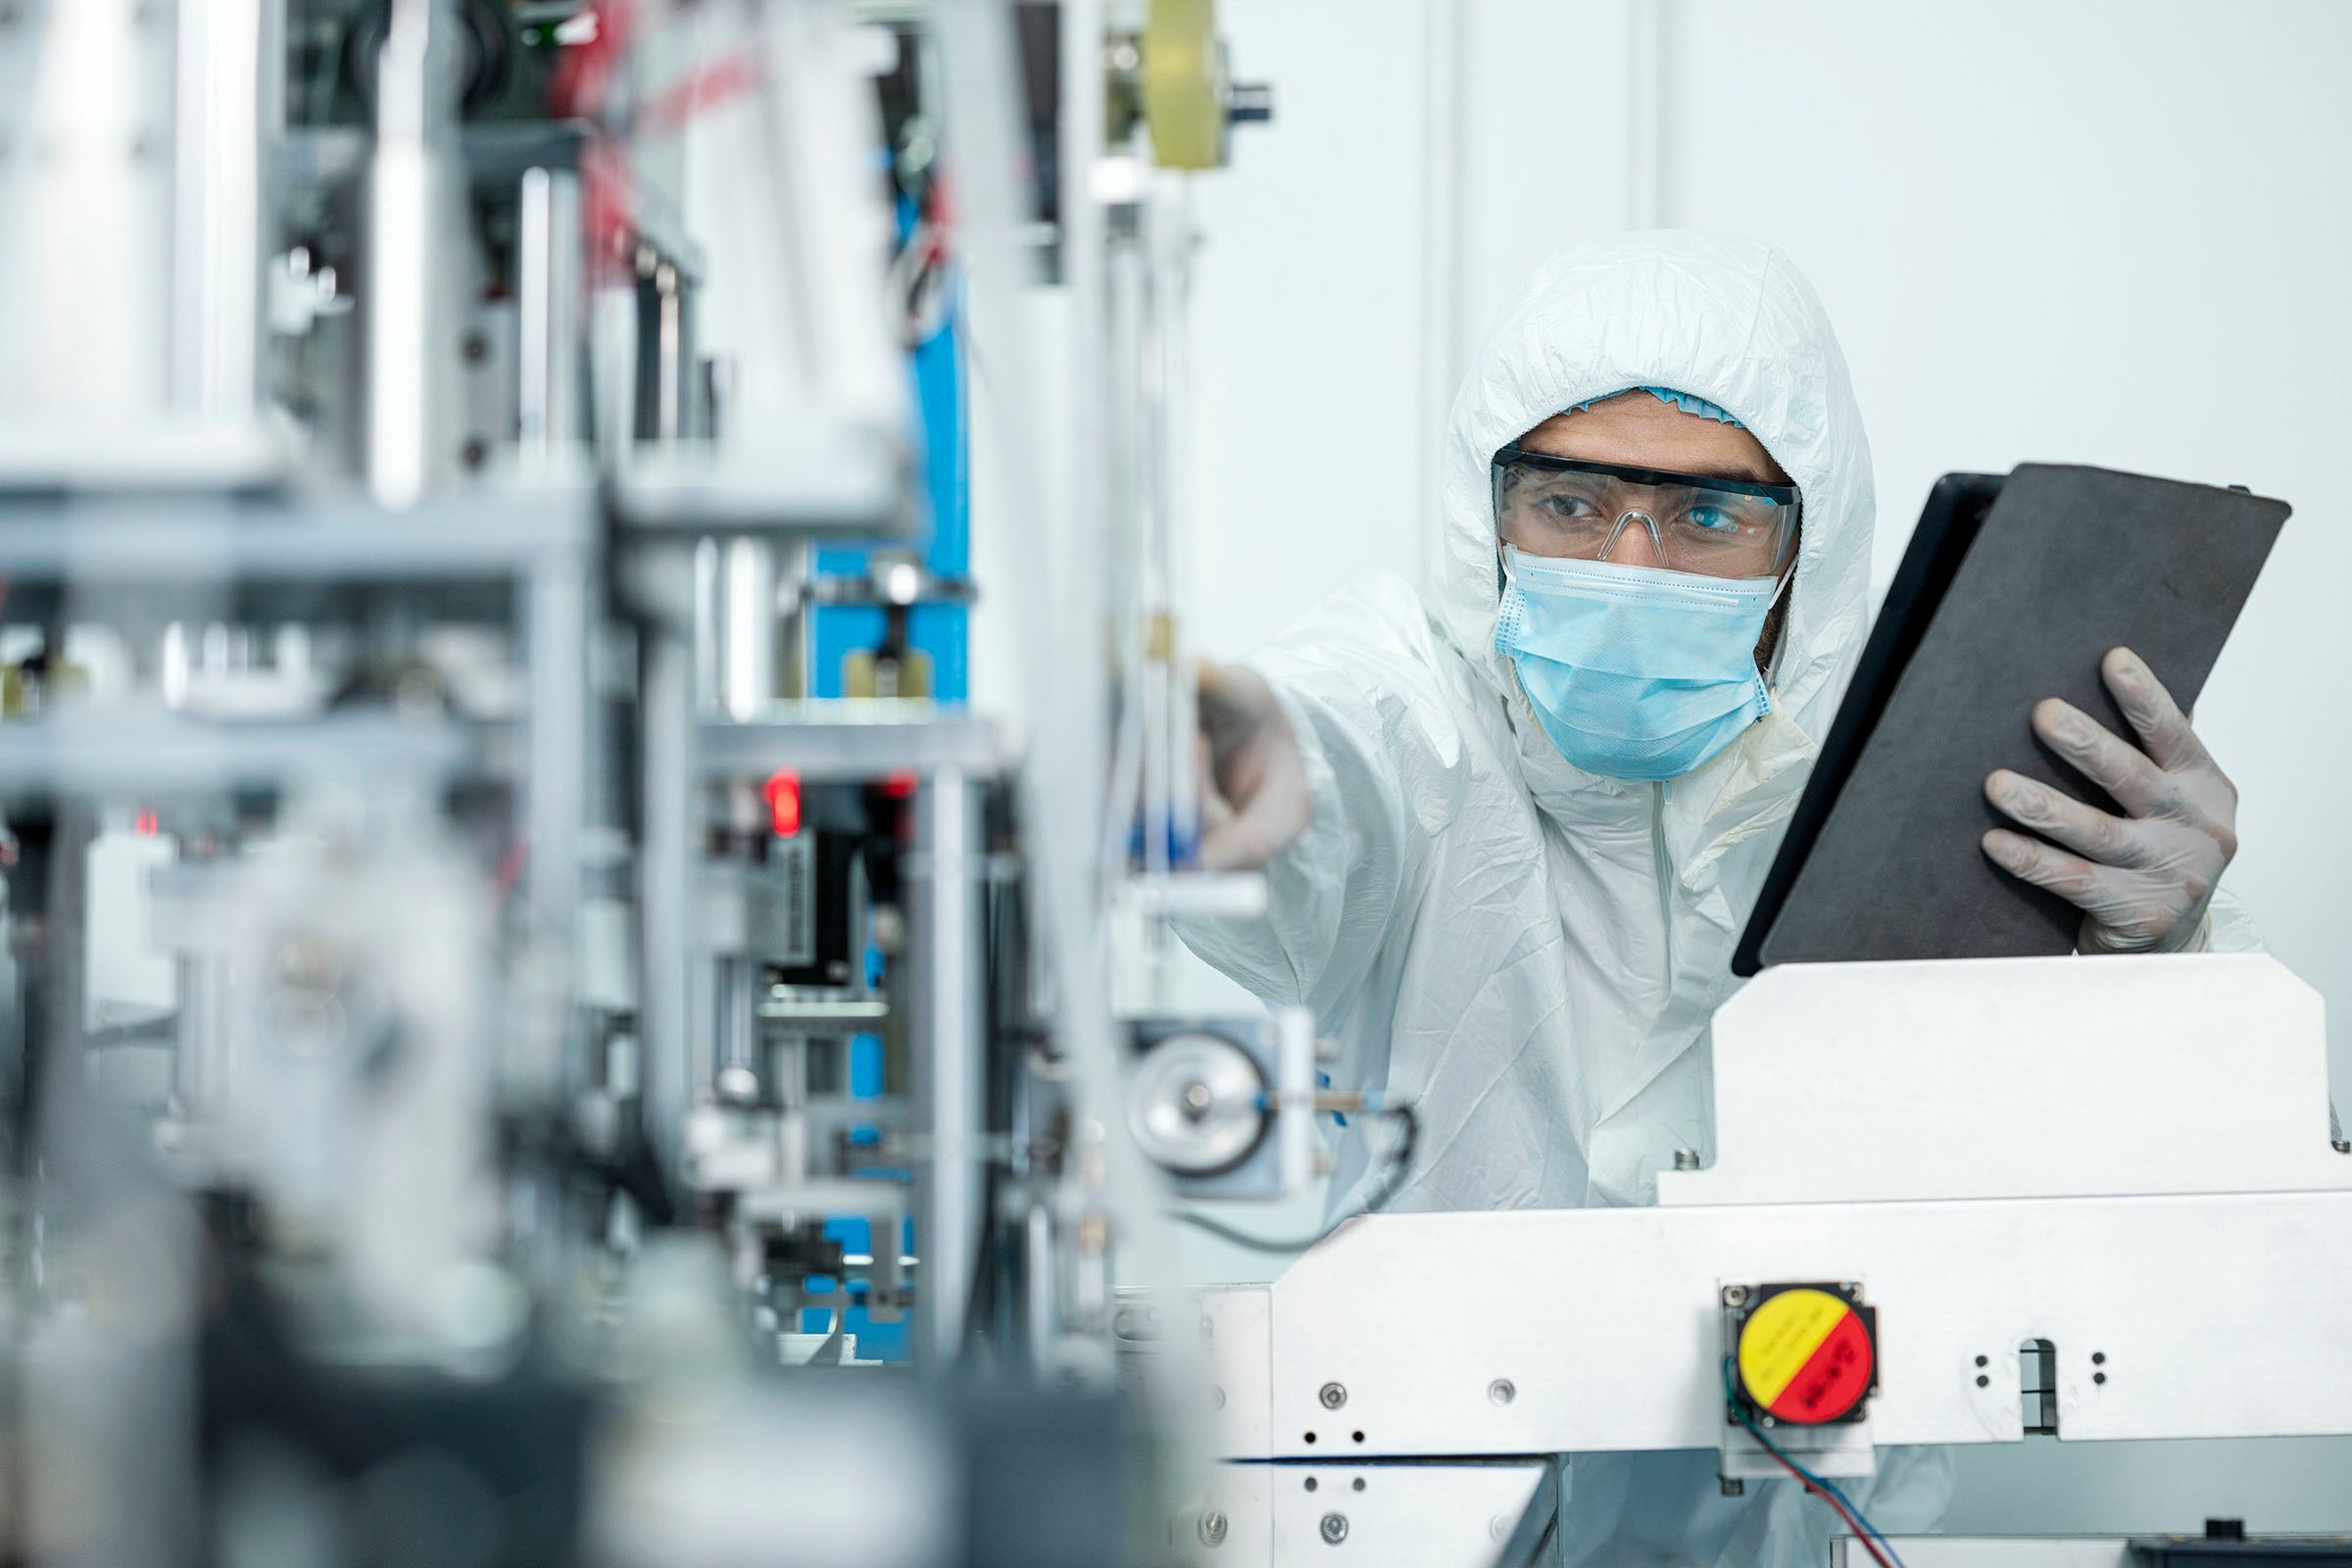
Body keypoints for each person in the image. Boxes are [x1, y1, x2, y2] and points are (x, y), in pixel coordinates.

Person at [1178, 231, 2255, 1566]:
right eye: (1571, 505)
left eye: (1705, 517)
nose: (1631, 568)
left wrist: (2162, 956)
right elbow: (1321, 749)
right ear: (1487, 516)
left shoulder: (1935, 790)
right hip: (1398, 1523)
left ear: (1807, 541)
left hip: (1831, 1540)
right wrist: (1208, 752)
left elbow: (2162, 1231)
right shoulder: (1418, 719)